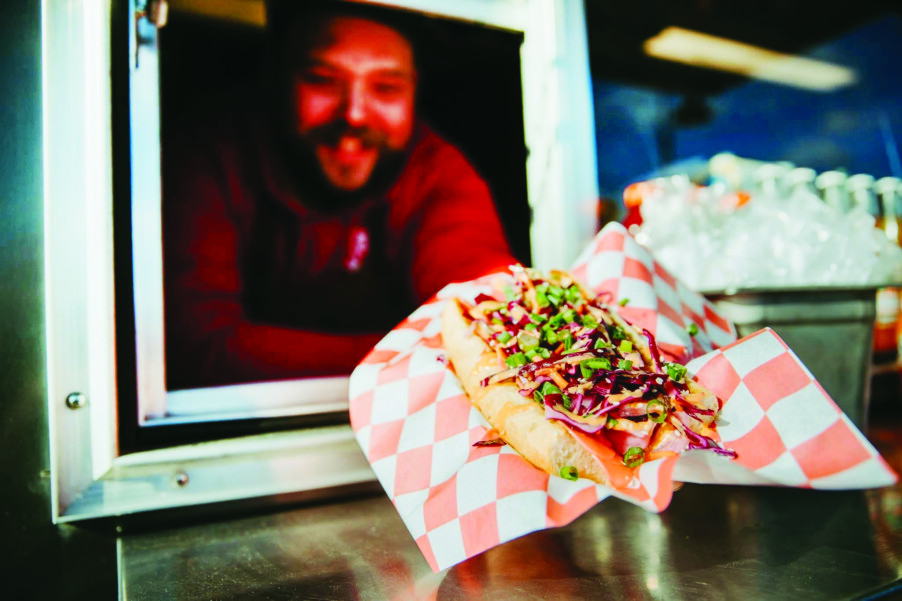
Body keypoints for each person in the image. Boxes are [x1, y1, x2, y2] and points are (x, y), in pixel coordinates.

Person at [162, 1, 517, 390]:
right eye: (322, 79)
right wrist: (425, 352)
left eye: (386, 87)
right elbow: (193, 348)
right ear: (274, 76)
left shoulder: (435, 169)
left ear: (414, 89)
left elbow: (486, 308)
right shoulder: (210, 151)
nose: (354, 114)